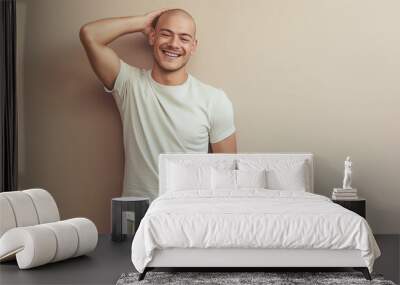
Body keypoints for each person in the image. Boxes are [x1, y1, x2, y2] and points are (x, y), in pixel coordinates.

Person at [79, 8, 237, 200]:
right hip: (137, 215)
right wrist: (141, 21)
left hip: (189, 215)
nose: (173, 44)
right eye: (165, 34)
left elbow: (228, 175)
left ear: (193, 47)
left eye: (184, 38)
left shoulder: (214, 100)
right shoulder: (129, 84)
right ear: (152, 37)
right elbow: (90, 35)